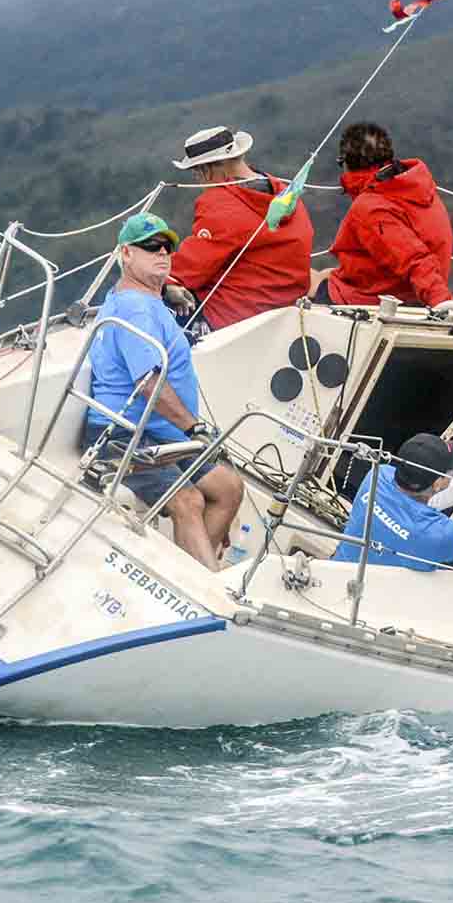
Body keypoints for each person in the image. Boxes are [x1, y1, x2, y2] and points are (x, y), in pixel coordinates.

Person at [85, 212, 245, 570]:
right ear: (126, 253)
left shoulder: (144, 299)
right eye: (150, 247)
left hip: (160, 431)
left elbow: (139, 288)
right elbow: (148, 382)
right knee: (187, 500)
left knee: (228, 487)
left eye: (167, 247)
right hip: (123, 434)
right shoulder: (136, 310)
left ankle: (193, 564)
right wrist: (194, 428)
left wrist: (166, 289)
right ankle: (206, 587)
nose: (162, 253)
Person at [311, 122, 453, 317]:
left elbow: (413, 257)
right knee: (324, 274)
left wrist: (440, 299)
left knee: (301, 281)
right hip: (404, 289)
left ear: (346, 162)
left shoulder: (371, 207)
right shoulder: (417, 186)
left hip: (381, 300)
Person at [164, 126, 315, 332]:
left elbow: (193, 265)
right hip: (286, 304)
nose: (197, 178)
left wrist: (163, 280)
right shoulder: (285, 192)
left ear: (207, 170)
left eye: (196, 172)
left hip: (234, 315)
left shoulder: (219, 204)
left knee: (156, 307)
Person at [332, 433, 453, 573]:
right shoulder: (432, 534)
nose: (452, 472)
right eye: (450, 470)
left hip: (337, 569)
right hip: (375, 598)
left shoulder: (378, 475)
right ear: (438, 482)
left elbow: (432, 497)